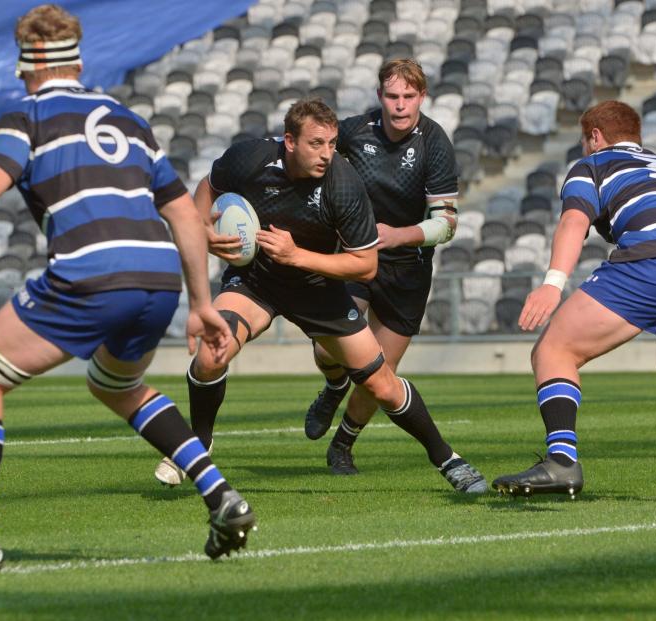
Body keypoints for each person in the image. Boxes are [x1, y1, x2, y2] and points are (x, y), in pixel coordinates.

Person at [0, 4, 256, 573]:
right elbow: (180, 212)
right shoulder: (127, 119)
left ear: (26, 66)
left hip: (91, 272)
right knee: (118, 387)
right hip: (156, 276)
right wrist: (199, 302)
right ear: (77, 61)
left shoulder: (27, 117)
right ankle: (222, 496)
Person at [152, 98, 486, 494]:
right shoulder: (251, 156)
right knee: (212, 350)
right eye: (316, 144)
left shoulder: (343, 185)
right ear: (289, 141)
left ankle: (447, 458)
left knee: (381, 384)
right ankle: (199, 442)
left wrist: (297, 255)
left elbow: (365, 266)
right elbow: (210, 186)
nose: (327, 153)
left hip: (318, 289)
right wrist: (203, 228)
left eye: (331, 143)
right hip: (257, 281)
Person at [492, 100, 656, 503]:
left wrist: (552, 284)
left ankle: (561, 460)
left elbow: (574, 220)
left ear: (594, 136)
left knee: (555, 350)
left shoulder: (593, 164)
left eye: (583, 139)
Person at [301, 59, 477, 481]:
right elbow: (310, 155)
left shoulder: (435, 142)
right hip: (357, 261)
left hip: (408, 272)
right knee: (328, 349)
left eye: (409, 96)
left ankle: (343, 444)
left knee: (378, 374)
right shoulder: (353, 132)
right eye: (392, 96)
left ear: (422, 96)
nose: (400, 105)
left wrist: (397, 235)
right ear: (380, 96)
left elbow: (447, 223)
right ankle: (332, 385)